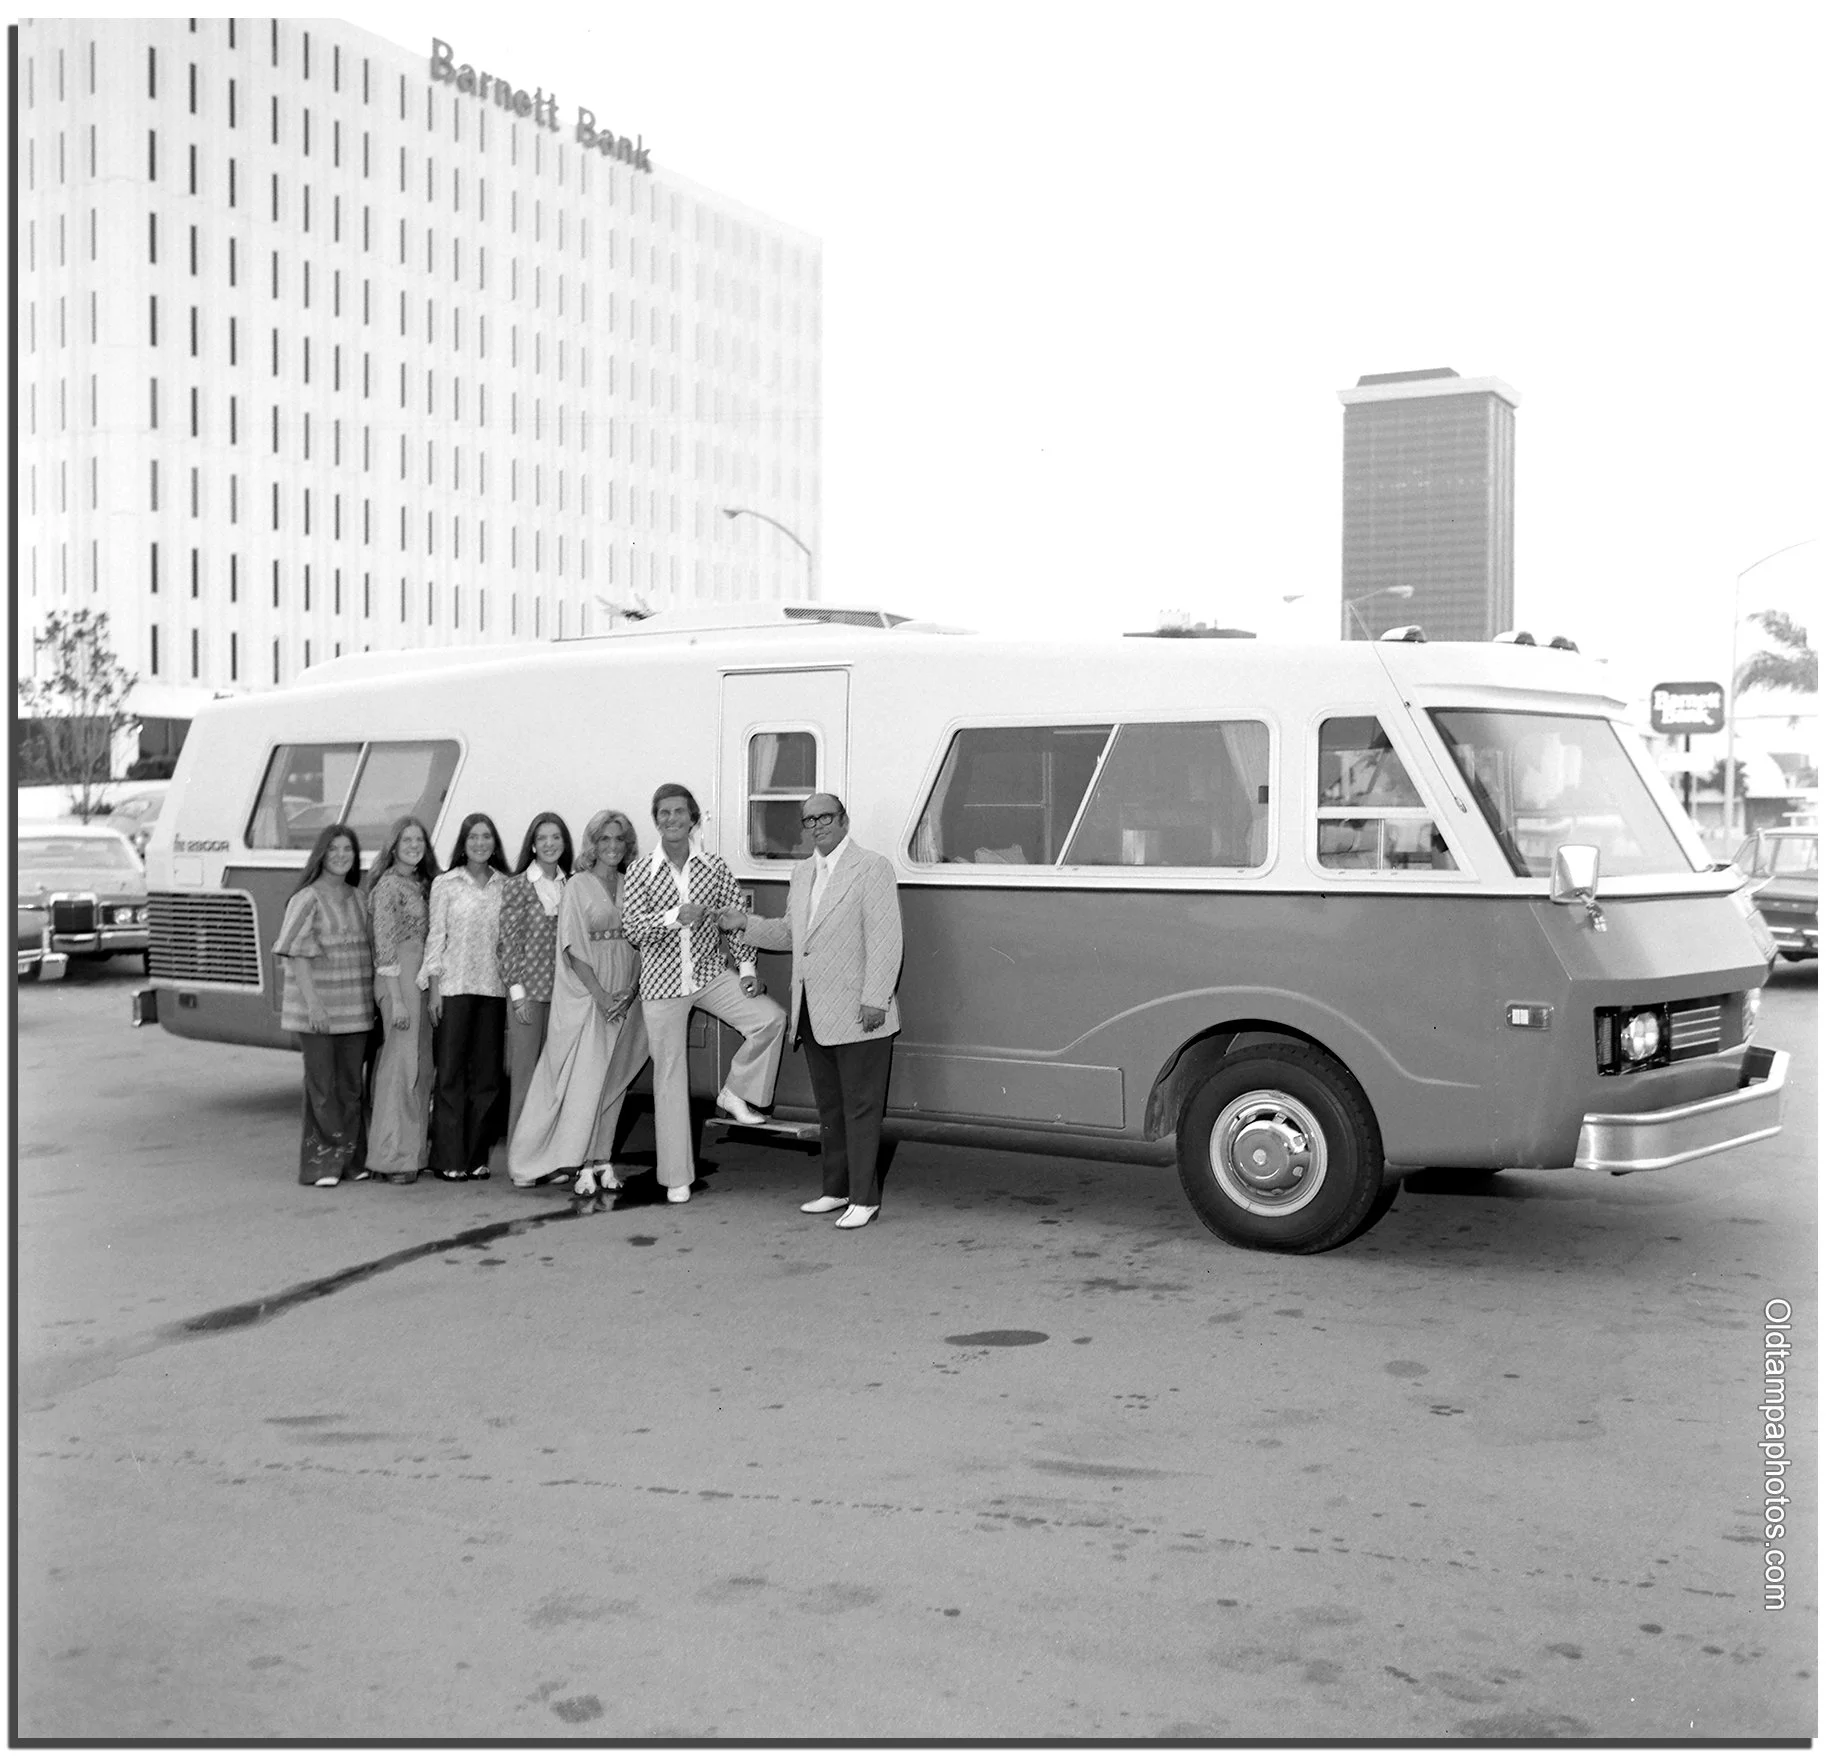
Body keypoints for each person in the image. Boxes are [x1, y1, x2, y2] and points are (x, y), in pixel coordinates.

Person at [725, 794, 903, 1229]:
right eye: (810, 820)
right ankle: (836, 1190)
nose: (818, 825)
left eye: (826, 816)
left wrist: (875, 999)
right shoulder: (803, 872)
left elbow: (886, 938)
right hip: (814, 1010)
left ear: (845, 819)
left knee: (861, 1108)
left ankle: (864, 1199)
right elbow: (791, 933)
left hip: (862, 1011)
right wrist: (742, 923)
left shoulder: (872, 867)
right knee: (831, 1110)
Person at [622, 782, 786, 1205]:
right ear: (655, 819)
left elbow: (736, 919)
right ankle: (677, 1177)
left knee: (770, 1018)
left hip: (710, 973)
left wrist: (748, 968)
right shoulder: (641, 870)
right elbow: (634, 931)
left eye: (680, 812)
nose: (672, 819)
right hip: (661, 984)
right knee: (670, 1076)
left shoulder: (714, 867)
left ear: (693, 818)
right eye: (664, 813)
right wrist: (673, 916)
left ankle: (735, 1091)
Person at [508, 810, 650, 1192]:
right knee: (586, 1082)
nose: (612, 847)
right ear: (592, 844)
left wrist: (632, 989)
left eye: (619, 839)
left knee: (615, 1081)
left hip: (627, 993)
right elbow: (571, 947)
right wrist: (602, 997)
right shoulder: (578, 885)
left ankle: (603, 1159)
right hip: (591, 994)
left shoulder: (631, 883)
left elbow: (641, 941)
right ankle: (577, 1161)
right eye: (604, 839)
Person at [273, 823, 375, 1187]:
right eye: (333, 850)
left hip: (357, 1012)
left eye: (348, 849)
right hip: (319, 1012)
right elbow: (296, 956)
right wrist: (314, 1005)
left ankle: (351, 1161)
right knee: (322, 1087)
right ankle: (322, 1165)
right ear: (321, 854)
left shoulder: (360, 898)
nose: (341, 856)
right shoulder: (307, 899)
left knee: (351, 1088)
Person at [421, 811, 510, 1181]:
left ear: (495, 843)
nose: (480, 843)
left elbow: (508, 941)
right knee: (451, 1077)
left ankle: (475, 1157)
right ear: (463, 842)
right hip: (454, 989)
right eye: (473, 837)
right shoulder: (446, 883)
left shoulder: (505, 885)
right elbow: (435, 936)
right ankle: (447, 1158)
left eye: (486, 837)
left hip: (492, 989)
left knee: (487, 1078)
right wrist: (434, 990)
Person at [362, 815, 440, 1184]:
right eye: (406, 840)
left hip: (420, 977)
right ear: (393, 845)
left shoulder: (420, 884)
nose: (413, 845)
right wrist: (396, 1001)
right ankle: (391, 1158)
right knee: (401, 1067)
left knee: (421, 1068)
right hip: (399, 979)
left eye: (418, 840)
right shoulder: (388, 886)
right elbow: (384, 946)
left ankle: (412, 1152)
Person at [495, 811, 574, 1170]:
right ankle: (519, 1159)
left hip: (563, 996)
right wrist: (517, 993)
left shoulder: (570, 884)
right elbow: (508, 944)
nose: (549, 844)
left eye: (555, 837)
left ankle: (547, 1158)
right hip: (528, 997)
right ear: (532, 844)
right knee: (525, 1080)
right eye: (542, 838)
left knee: (554, 1080)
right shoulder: (517, 885)